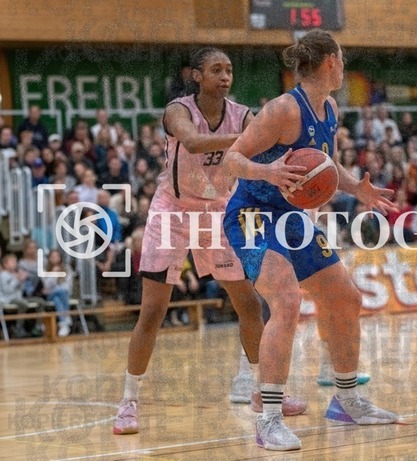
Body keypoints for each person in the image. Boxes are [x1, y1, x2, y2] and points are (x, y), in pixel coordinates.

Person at [112, 47, 306, 436]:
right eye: (216, 69)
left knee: (249, 305)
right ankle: (128, 402)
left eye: (229, 70)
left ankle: (263, 391)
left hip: (219, 211)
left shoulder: (243, 113)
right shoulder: (178, 111)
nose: (225, 76)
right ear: (197, 76)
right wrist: (250, 138)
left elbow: (269, 144)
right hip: (172, 212)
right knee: (153, 311)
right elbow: (194, 142)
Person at [221, 29, 398, 452]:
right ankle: (268, 419)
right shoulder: (283, 109)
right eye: (342, 59)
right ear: (331, 61)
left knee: (346, 298)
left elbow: (324, 164)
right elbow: (232, 159)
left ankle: (346, 400)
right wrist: (268, 172)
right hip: (252, 214)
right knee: (285, 301)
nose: (343, 66)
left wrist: (356, 188)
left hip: (292, 218)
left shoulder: (329, 108)